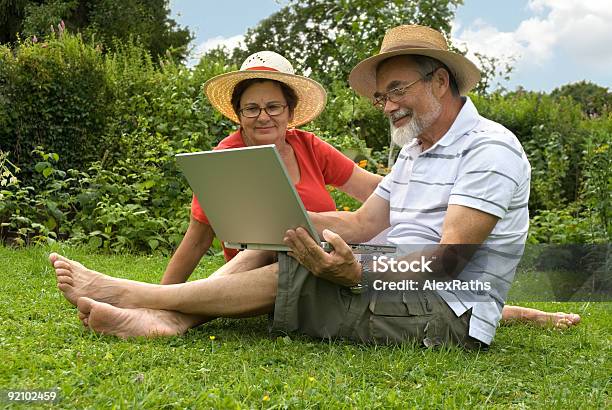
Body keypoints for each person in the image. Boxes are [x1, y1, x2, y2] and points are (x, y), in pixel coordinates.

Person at [49, 29, 580, 344]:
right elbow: (363, 222)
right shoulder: (416, 152)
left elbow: (447, 263)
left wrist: (359, 269)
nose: (388, 104)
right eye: (382, 96)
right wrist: (282, 221)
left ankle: (139, 297)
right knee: (279, 242)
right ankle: (167, 317)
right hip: (400, 278)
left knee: (296, 267)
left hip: (446, 308)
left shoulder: (489, 150)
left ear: (439, 81)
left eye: (396, 90)